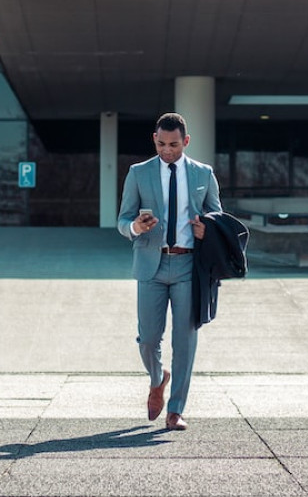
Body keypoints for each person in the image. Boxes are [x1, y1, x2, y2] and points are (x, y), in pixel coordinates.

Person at [117, 112, 222, 431]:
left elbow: (218, 217)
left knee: (185, 340)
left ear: (185, 141)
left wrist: (208, 230)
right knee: (148, 339)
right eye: (161, 144)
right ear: (154, 139)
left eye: (173, 145)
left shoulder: (204, 173)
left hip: (189, 266)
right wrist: (135, 227)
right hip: (151, 264)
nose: (167, 150)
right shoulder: (138, 173)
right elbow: (122, 220)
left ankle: (176, 410)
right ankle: (157, 378)